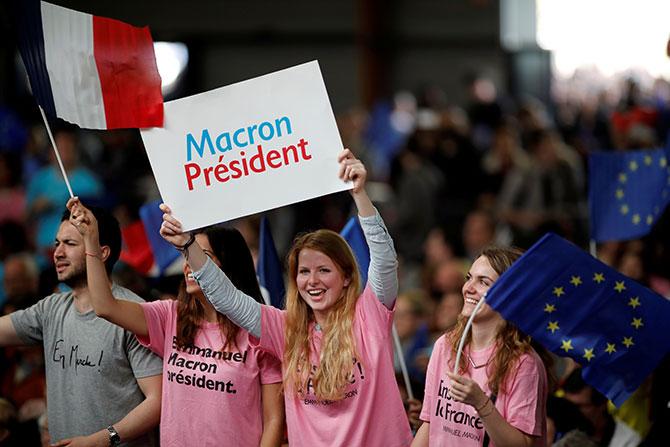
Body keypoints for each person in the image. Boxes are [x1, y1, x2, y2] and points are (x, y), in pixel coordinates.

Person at [160, 149, 413, 446]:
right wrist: (188, 245)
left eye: (324, 270)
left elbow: (383, 260)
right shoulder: (286, 328)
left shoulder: (369, 314)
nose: (312, 281)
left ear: (346, 278)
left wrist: (359, 194)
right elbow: (228, 298)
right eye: (304, 271)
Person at [67, 198, 285, 447]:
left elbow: (273, 420)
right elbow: (105, 307)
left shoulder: (259, 330)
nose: (189, 264)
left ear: (229, 265)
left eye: (202, 256)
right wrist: (91, 240)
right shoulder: (170, 316)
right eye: (186, 254)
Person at [0, 205, 162, 446]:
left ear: (101, 252)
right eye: (57, 244)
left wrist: (99, 440)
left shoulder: (134, 313)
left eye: (70, 244)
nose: (57, 253)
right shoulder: (52, 308)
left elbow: (157, 401)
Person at [413, 246, 548, 446]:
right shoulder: (445, 346)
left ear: (509, 296)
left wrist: (481, 403)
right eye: (469, 278)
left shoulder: (524, 363)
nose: (468, 287)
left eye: (483, 282)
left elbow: (523, 444)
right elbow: (429, 423)